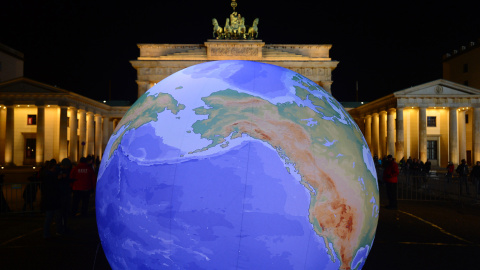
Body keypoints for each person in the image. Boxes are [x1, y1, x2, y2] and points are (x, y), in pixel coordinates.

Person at [41, 160, 61, 238]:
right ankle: (58, 231)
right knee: (55, 217)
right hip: (53, 199)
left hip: (48, 199)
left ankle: (46, 233)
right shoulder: (51, 176)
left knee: (49, 218)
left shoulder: (46, 175)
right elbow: (53, 187)